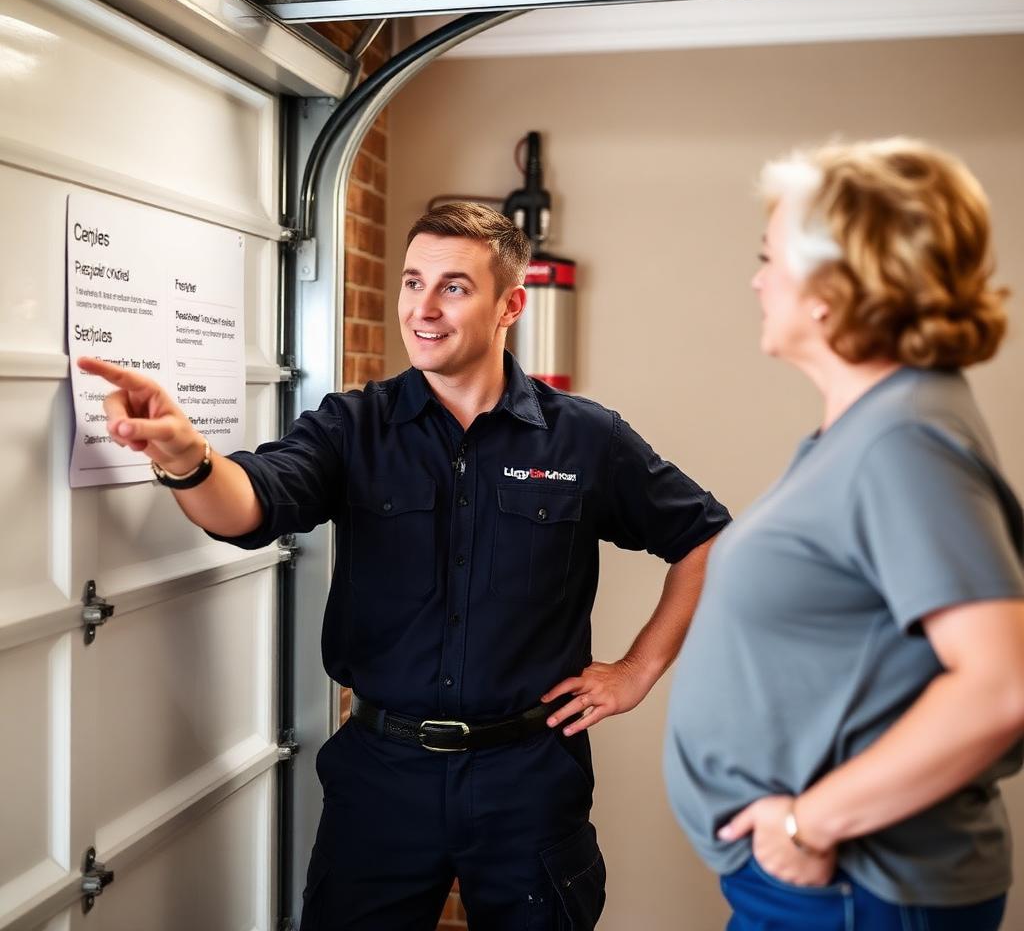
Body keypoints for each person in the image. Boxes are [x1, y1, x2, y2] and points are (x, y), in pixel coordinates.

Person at [79, 201, 730, 930]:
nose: (423, 307)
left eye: (453, 286)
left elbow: (707, 539)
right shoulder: (351, 426)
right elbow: (249, 505)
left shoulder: (585, 440)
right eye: (413, 282)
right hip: (381, 776)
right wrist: (183, 456)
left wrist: (638, 670)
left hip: (528, 778)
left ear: (510, 304)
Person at [664, 138, 1024, 930]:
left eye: (770, 257)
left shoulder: (904, 440)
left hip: (854, 886)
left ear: (833, 286)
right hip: (821, 885)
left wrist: (806, 826)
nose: (758, 280)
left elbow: (1001, 686)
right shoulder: (873, 428)